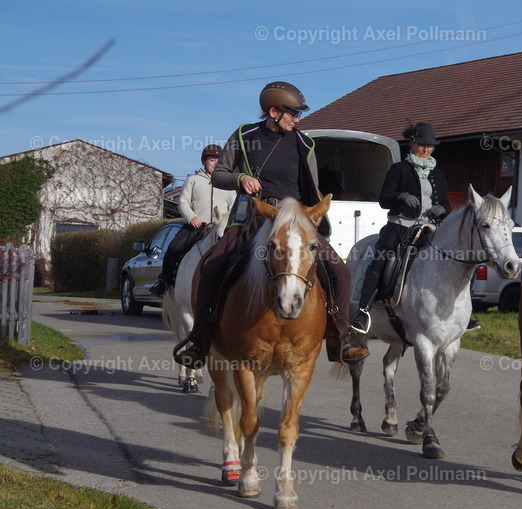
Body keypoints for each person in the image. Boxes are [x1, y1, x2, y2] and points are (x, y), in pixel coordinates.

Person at [173, 81, 369, 369]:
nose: (298, 119)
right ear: (273, 111)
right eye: (292, 113)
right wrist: (240, 179)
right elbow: (220, 175)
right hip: (255, 215)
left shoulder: (303, 143)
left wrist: (313, 215)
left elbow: (311, 186)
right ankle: (200, 339)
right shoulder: (244, 135)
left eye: (298, 114)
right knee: (213, 264)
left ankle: (341, 335)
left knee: (339, 270)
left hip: (295, 219)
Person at [350, 121, 480, 335]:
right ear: (412, 143)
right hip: (401, 224)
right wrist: (400, 197)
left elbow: (446, 205)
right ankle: (363, 310)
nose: (426, 149)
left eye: (430, 146)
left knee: (462, 258)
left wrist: (440, 209)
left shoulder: (439, 175)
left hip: (430, 227)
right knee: (381, 256)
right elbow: (384, 199)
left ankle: (465, 313)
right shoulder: (399, 169)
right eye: (421, 144)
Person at [151, 145, 234, 297]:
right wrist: (191, 217)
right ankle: (164, 281)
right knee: (174, 248)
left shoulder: (228, 183)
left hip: (221, 228)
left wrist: (226, 221)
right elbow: (183, 203)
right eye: (212, 159)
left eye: (219, 160)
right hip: (197, 226)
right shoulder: (193, 180)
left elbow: (233, 207)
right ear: (204, 161)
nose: (215, 163)